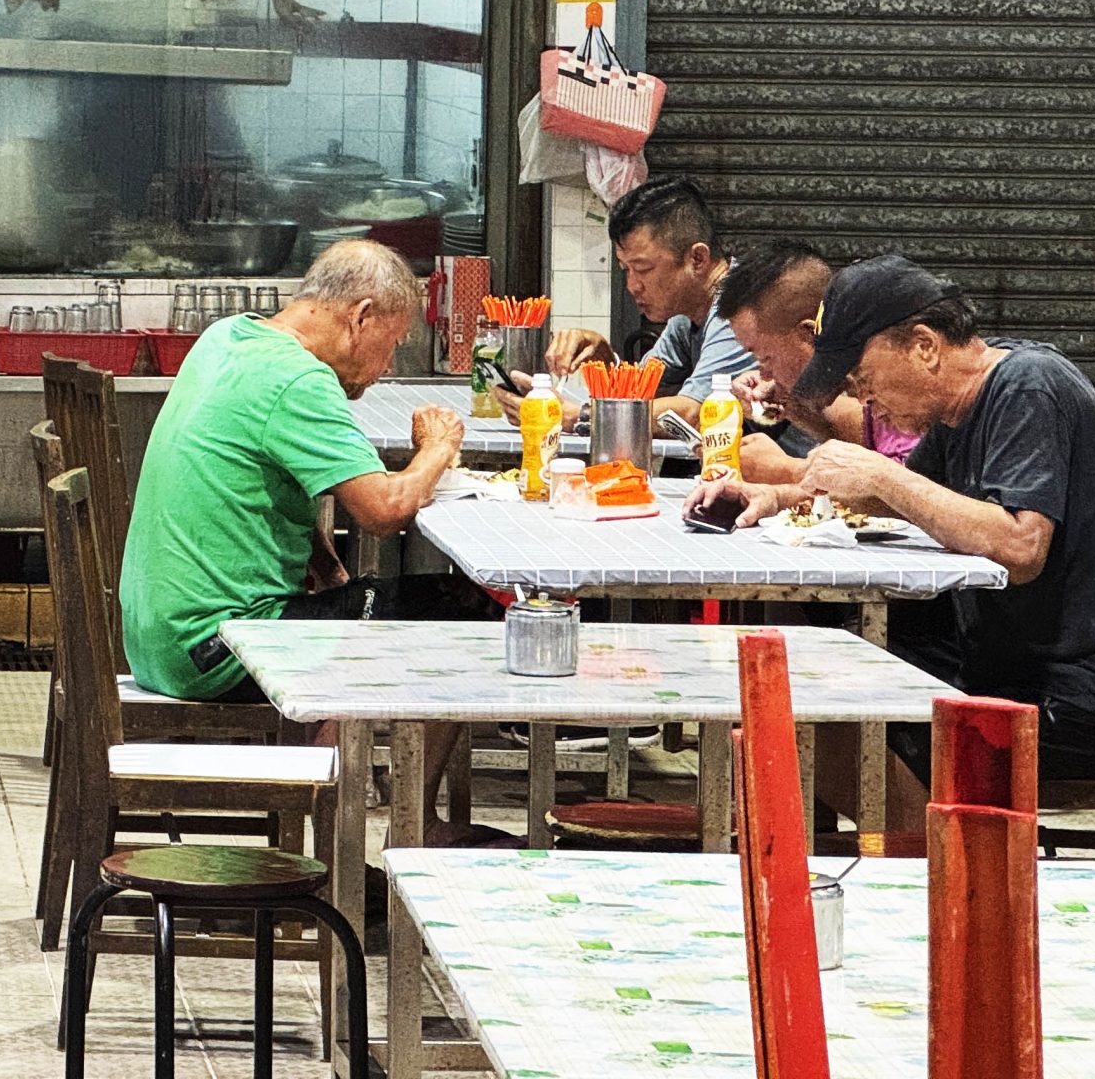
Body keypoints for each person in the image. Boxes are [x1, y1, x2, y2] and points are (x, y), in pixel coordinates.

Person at [712, 254, 1095, 780]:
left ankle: (939, 836)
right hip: (1014, 665)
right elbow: (900, 500)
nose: (863, 398)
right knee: (813, 681)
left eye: (863, 377)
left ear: (924, 346)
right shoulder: (956, 412)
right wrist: (777, 497)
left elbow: (1021, 547)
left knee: (840, 727)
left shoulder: (1027, 385)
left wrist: (884, 476)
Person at [116, 239, 472, 842]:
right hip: (220, 646)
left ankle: (345, 815)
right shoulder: (299, 379)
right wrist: (438, 448)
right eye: (392, 343)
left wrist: (329, 571)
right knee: (462, 613)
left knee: (368, 606)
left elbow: (259, 484)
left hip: (156, 636)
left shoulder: (228, 337)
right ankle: (415, 830)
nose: (387, 365)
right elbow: (383, 511)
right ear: (361, 317)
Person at [499, 174, 756, 427]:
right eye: (625, 270)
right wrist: (605, 360)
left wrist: (579, 416)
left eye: (643, 269)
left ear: (697, 259)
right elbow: (640, 393)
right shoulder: (686, 316)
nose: (632, 286)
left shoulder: (742, 308)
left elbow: (696, 412)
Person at [715, 240, 924, 480]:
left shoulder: (901, 389)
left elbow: (909, 491)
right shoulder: (868, 396)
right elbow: (869, 446)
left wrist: (788, 471)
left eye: (765, 358)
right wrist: (791, 405)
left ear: (810, 333)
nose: (765, 374)